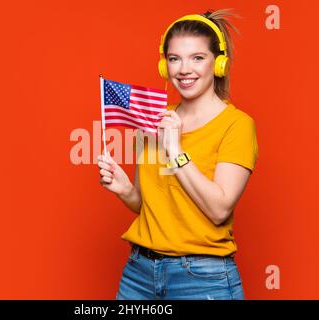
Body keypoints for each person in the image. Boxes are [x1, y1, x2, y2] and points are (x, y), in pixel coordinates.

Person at [97, 8, 258, 300]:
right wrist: (125, 191)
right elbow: (149, 206)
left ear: (219, 63)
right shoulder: (153, 120)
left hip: (202, 279)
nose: (184, 69)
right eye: (174, 59)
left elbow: (218, 209)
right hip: (139, 273)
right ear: (164, 66)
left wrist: (176, 150)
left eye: (198, 58)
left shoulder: (237, 125)